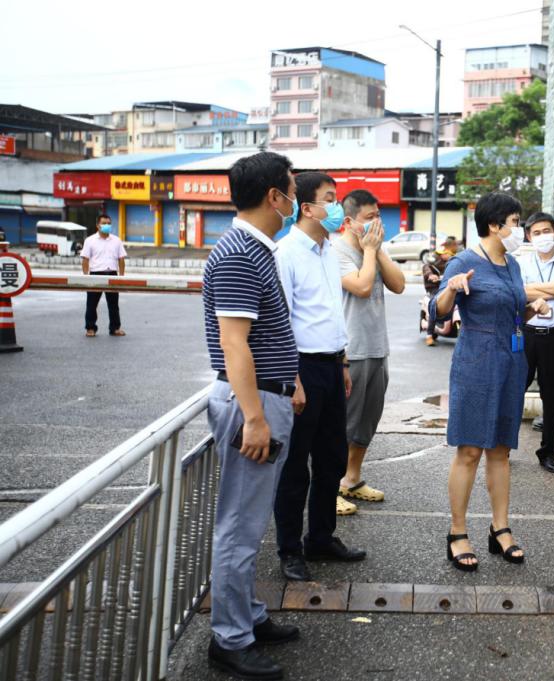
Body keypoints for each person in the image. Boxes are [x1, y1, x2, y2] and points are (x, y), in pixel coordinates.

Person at [203, 151, 305, 680]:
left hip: (267, 396)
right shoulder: (241, 253)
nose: (295, 199)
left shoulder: (256, 249)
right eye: (292, 191)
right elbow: (234, 343)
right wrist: (255, 418)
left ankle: (247, 616)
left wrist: (291, 382)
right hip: (253, 403)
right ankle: (230, 638)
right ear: (274, 196)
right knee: (239, 528)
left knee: (249, 522)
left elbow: (265, 333)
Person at [430, 192, 550, 571]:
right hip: (476, 362)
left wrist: (532, 308)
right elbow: (439, 312)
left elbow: (513, 313)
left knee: (501, 450)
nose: (520, 230)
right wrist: (451, 288)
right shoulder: (463, 262)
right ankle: (457, 532)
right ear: (495, 225)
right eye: (515, 222)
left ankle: (501, 529)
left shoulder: (512, 264)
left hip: (511, 361)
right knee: (470, 450)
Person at [273, 172, 366, 584]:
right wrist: (292, 379)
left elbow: (331, 311)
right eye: (330, 199)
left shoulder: (328, 250)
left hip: (331, 365)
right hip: (302, 367)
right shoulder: (286, 253)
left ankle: (321, 538)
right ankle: (290, 549)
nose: (336, 206)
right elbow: (281, 321)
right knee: (296, 465)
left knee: (331, 458)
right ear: (307, 208)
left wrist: (342, 363)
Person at [334, 190, 406, 514]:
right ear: (349, 222)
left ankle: (352, 479)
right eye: (369, 217)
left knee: (367, 421)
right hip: (351, 351)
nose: (377, 222)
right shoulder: (337, 252)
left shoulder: (374, 249)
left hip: (378, 347)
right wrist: (370, 251)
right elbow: (362, 287)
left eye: (378, 215)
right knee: (343, 424)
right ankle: (330, 485)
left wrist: (376, 251)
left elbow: (399, 284)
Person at [519, 212, 554, 474]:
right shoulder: (521, 261)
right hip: (527, 334)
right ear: (529, 236)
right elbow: (519, 292)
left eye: (547, 231)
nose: (543, 236)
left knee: (552, 398)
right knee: (514, 391)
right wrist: (550, 289)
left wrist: (534, 289)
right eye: (537, 233)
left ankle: (548, 452)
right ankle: (503, 447)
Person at [81, 214, 127, 337]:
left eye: (109, 223)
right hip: (95, 274)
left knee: (113, 304)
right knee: (91, 304)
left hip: (112, 274)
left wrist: (121, 277)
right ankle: (90, 328)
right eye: (104, 223)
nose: (107, 225)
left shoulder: (116, 240)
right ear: (98, 225)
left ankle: (115, 328)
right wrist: (86, 277)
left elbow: (121, 259)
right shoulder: (90, 241)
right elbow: (85, 259)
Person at [423, 247, 451, 347]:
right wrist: (431, 276)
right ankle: (429, 335)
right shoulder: (429, 265)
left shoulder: (449, 264)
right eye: (446, 253)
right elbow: (427, 271)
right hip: (434, 290)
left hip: (446, 289)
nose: (448, 255)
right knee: (434, 306)